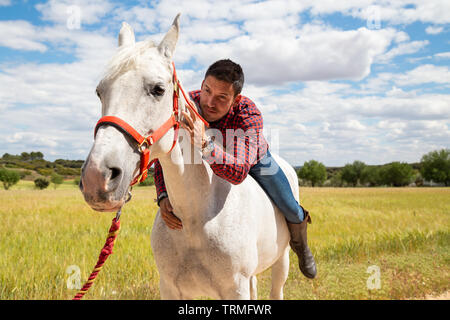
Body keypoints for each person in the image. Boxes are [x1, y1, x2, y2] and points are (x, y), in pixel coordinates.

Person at [153, 59, 316, 279]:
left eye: (222, 98)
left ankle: (301, 247)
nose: (209, 102)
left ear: (236, 99)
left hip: (253, 160)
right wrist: (162, 195)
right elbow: (165, 150)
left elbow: (238, 172)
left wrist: (203, 143)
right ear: (201, 84)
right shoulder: (187, 104)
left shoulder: (249, 113)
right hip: (206, 156)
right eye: (207, 91)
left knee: (289, 205)